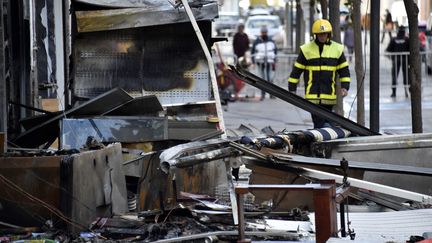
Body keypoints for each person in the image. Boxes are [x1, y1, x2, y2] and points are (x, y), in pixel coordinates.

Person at [288, 19, 350, 129]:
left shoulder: (337, 49)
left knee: (325, 125)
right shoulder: (306, 49)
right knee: (320, 124)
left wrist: (345, 87)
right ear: (315, 35)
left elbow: (344, 70)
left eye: (324, 34)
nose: (322, 36)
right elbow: (296, 71)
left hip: (329, 96)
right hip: (312, 96)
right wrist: (292, 89)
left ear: (328, 34)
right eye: (319, 34)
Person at [251, 25, 277, 100]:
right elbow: (253, 51)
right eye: (263, 32)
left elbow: (275, 50)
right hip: (260, 62)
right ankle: (263, 94)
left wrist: (274, 60)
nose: (264, 34)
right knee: (262, 79)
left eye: (265, 32)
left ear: (267, 32)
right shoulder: (257, 41)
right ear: (261, 33)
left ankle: (271, 94)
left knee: (269, 78)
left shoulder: (271, 40)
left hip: (269, 62)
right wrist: (253, 62)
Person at [386, 26, 410, 98]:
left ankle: (394, 92)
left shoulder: (394, 39)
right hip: (405, 60)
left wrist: (392, 56)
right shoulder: (406, 39)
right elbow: (410, 49)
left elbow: (388, 49)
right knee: (406, 76)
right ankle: (406, 91)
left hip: (396, 60)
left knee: (394, 76)